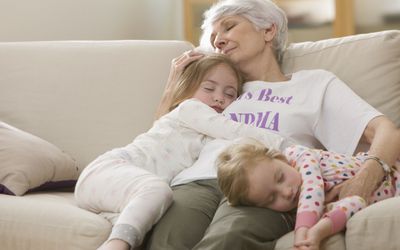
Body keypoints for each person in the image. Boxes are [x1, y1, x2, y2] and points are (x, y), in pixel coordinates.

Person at [147, 0, 400, 249]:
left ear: (268, 30)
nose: (218, 40)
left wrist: (362, 184)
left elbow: (387, 132)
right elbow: (164, 134)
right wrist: (173, 86)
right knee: (166, 241)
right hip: (197, 181)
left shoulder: (314, 84)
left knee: (228, 240)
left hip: (263, 188)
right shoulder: (220, 90)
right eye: (213, 37)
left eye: (228, 27)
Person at [74, 53, 288, 250]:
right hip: (111, 169)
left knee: (151, 215)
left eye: (229, 93)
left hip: (123, 191)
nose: (219, 98)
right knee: (158, 191)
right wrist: (288, 147)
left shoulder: (205, 139)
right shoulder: (190, 109)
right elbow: (235, 130)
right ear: (187, 89)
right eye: (209, 88)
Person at [217, 138, 400, 250]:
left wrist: (303, 231)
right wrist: (319, 231)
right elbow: (356, 203)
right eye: (272, 198)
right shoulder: (313, 211)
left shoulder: (299, 156)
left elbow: (312, 188)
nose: (286, 192)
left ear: (279, 158)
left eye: (280, 177)